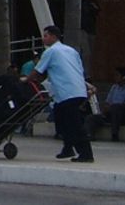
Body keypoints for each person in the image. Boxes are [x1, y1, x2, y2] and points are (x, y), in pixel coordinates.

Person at [32, 24, 94, 163]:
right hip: (76, 91)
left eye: (46, 35)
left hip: (67, 93)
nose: (44, 38)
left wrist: (25, 79)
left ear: (54, 36)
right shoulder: (71, 51)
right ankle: (67, 148)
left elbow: (37, 72)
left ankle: (86, 154)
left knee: (74, 124)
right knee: (60, 118)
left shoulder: (51, 51)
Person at [91, 65, 125, 142]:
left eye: (117, 75)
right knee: (92, 117)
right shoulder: (114, 87)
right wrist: (107, 107)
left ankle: (115, 134)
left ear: (124, 77)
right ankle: (89, 134)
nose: (115, 77)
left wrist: (113, 107)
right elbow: (107, 101)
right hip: (110, 112)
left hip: (122, 114)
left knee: (116, 108)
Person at [80, 0, 101, 71]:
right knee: (86, 53)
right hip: (82, 30)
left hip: (91, 30)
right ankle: (85, 74)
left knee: (89, 54)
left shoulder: (93, 2)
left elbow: (97, 11)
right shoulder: (80, 2)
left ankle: (87, 71)